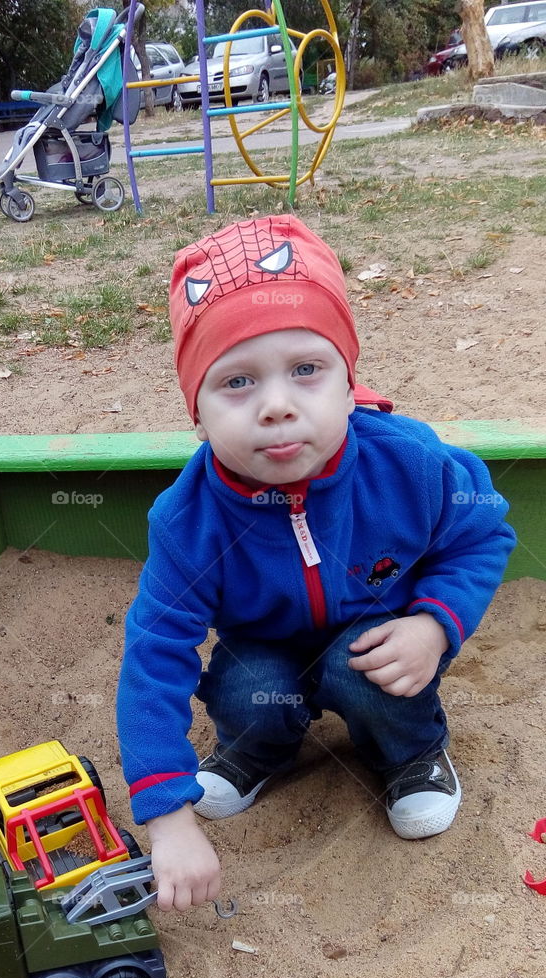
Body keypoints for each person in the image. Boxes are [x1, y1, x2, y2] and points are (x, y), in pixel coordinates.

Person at [116, 215, 515, 912]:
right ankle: (256, 749)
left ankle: (412, 756)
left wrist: (434, 624)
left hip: (380, 633)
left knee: (363, 673)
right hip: (267, 645)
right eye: (236, 382)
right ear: (197, 412)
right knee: (247, 686)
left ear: (347, 378)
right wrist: (166, 816)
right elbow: (154, 656)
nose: (277, 405)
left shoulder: (410, 462)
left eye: (307, 369)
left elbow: (481, 534)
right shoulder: (188, 521)